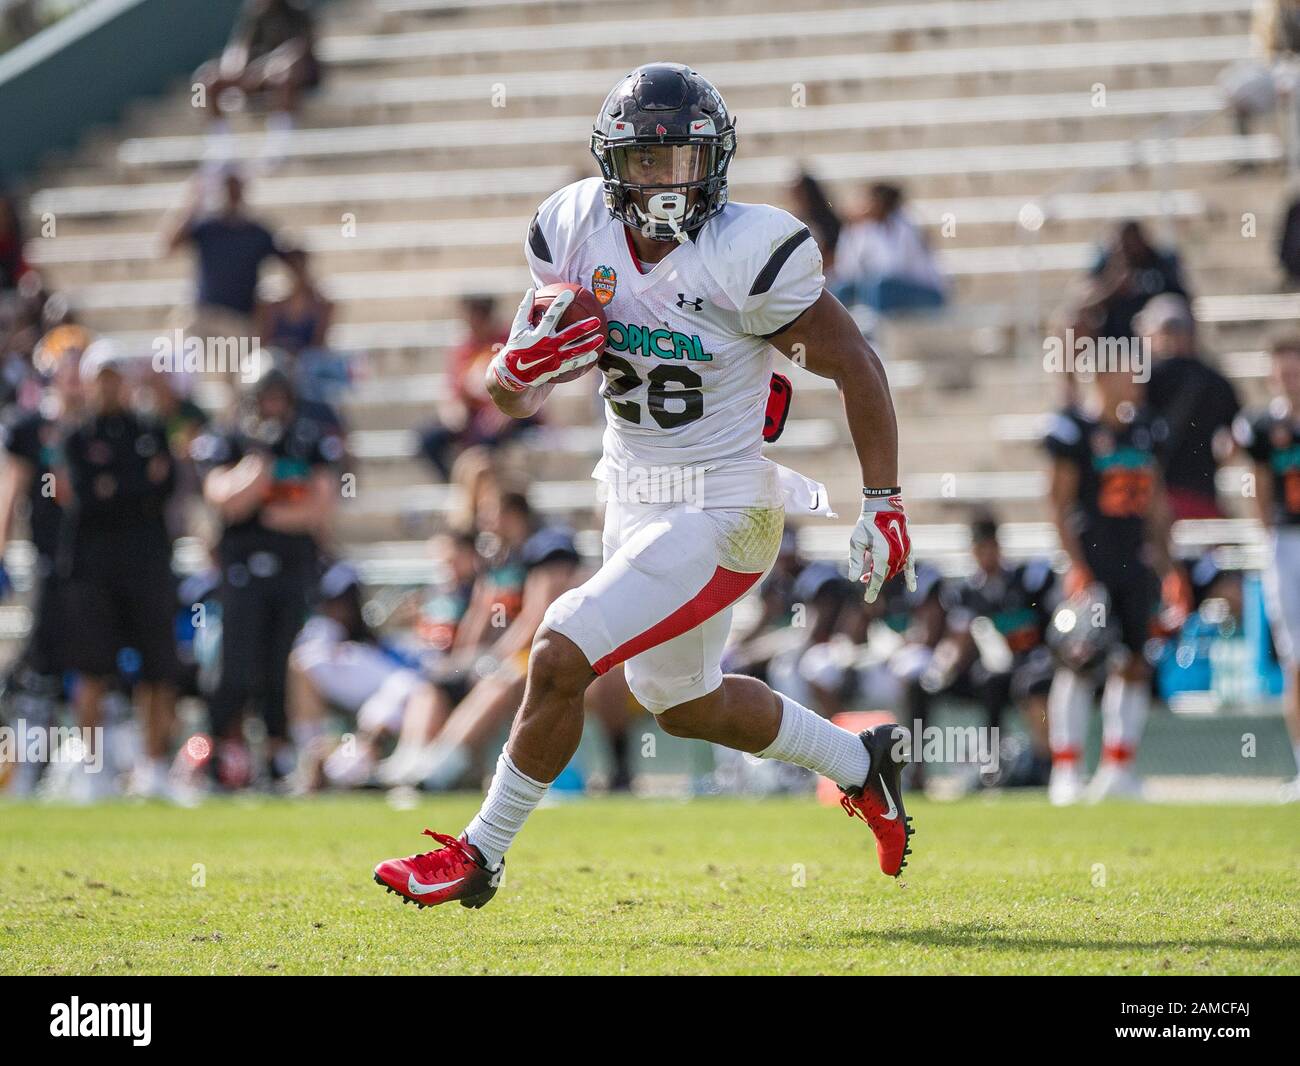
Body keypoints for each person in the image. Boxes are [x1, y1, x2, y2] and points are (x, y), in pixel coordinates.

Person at [373, 63, 916, 910]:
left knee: (559, 648)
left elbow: (857, 366)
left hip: (726, 501)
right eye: (645, 162)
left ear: (716, 163)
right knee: (684, 704)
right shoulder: (574, 228)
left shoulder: (748, 250)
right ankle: (862, 762)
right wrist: (514, 372)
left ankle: (480, 853)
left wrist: (883, 502)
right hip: (629, 490)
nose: (664, 181)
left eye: (681, 161)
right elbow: (513, 395)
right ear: (611, 165)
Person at [192, 363, 341, 788]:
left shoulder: (309, 440)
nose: (274, 408)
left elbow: (319, 508)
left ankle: (278, 755)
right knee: (235, 666)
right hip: (241, 571)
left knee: (281, 666)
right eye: (267, 398)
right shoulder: (229, 440)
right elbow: (225, 500)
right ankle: (223, 754)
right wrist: (258, 464)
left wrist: (270, 513)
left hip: (292, 571)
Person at [1042, 368, 1183, 805]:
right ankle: (1066, 769)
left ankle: (1118, 768)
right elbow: (1059, 503)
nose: (1135, 382)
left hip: (1134, 562)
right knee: (1078, 662)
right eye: (1124, 374)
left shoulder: (1145, 430)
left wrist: (1168, 566)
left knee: (1135, 663)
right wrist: (1075, 564)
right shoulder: (1077, 431)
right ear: (1101, 378)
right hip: (1094, 560)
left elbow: (1157, 503)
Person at [58, 340, 181, 800]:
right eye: (101, 377)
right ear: (89, 382)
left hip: (146, 564)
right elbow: (90, 494)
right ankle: (94, 771)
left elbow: (163, 487)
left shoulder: (149, 428)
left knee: (158, 669)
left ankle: (153, 768)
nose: (109, 386)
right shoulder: (76, 435)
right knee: (92, 669)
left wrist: (120, 485)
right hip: (93, 569)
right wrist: (134, 483)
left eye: (115, 376)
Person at [1233, 334, 1300, 802]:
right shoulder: (1262, 426)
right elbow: (1257, 486)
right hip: (1287, 540)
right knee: (1297, 659)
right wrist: (1268, 536)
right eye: (1284, 370)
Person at [161, 168, 283, 359]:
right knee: (170, 358)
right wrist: (192, 205)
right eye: (227, 188)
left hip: (238, 319)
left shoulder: (257, 233)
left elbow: (289, 260)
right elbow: (168, 246)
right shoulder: (207, 228)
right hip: (202, 314)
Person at [1137, 295, 1240, 520]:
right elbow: (1234, 439)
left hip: (1149, 502)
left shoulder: (1141, 380)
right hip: (1200, 496)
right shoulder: (1214, 380)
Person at [417, 295, 530, 481]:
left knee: (485, 440)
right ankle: (460, 486)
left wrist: (508, 410)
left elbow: (528, 382)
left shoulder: (510, 342)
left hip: (511, 410)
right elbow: (454, 388)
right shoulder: (464, 346)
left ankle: (489, 486)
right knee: (429, 439)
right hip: (475, 414)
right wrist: (454, 409)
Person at [195, 0, 320, 129]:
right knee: (203, 81)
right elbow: (240, 45)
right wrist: (234, 67)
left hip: (291, 75)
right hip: (256, 74)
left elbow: (299, 47)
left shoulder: (298, 10)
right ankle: (217, 137)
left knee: (282, 76)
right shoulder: (254, 14)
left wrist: (264, 68)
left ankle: (282, 134)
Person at [829, 182, 946, 315]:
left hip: (924, 291)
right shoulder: (865, 229)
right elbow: (847, 270)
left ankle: (876, 328)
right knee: (840, 289)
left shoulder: (906, 226)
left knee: (880, 286)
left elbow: (895, 268)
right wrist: (850, 229)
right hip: (883, 285)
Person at [1077, 220, 1188, 342]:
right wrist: (1113, 290)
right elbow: (1085, 303)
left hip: (1155, 336)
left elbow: (1179, 298)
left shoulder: (1160, 265)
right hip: (1112, 337)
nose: (1129, 248)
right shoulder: (1106, 266)